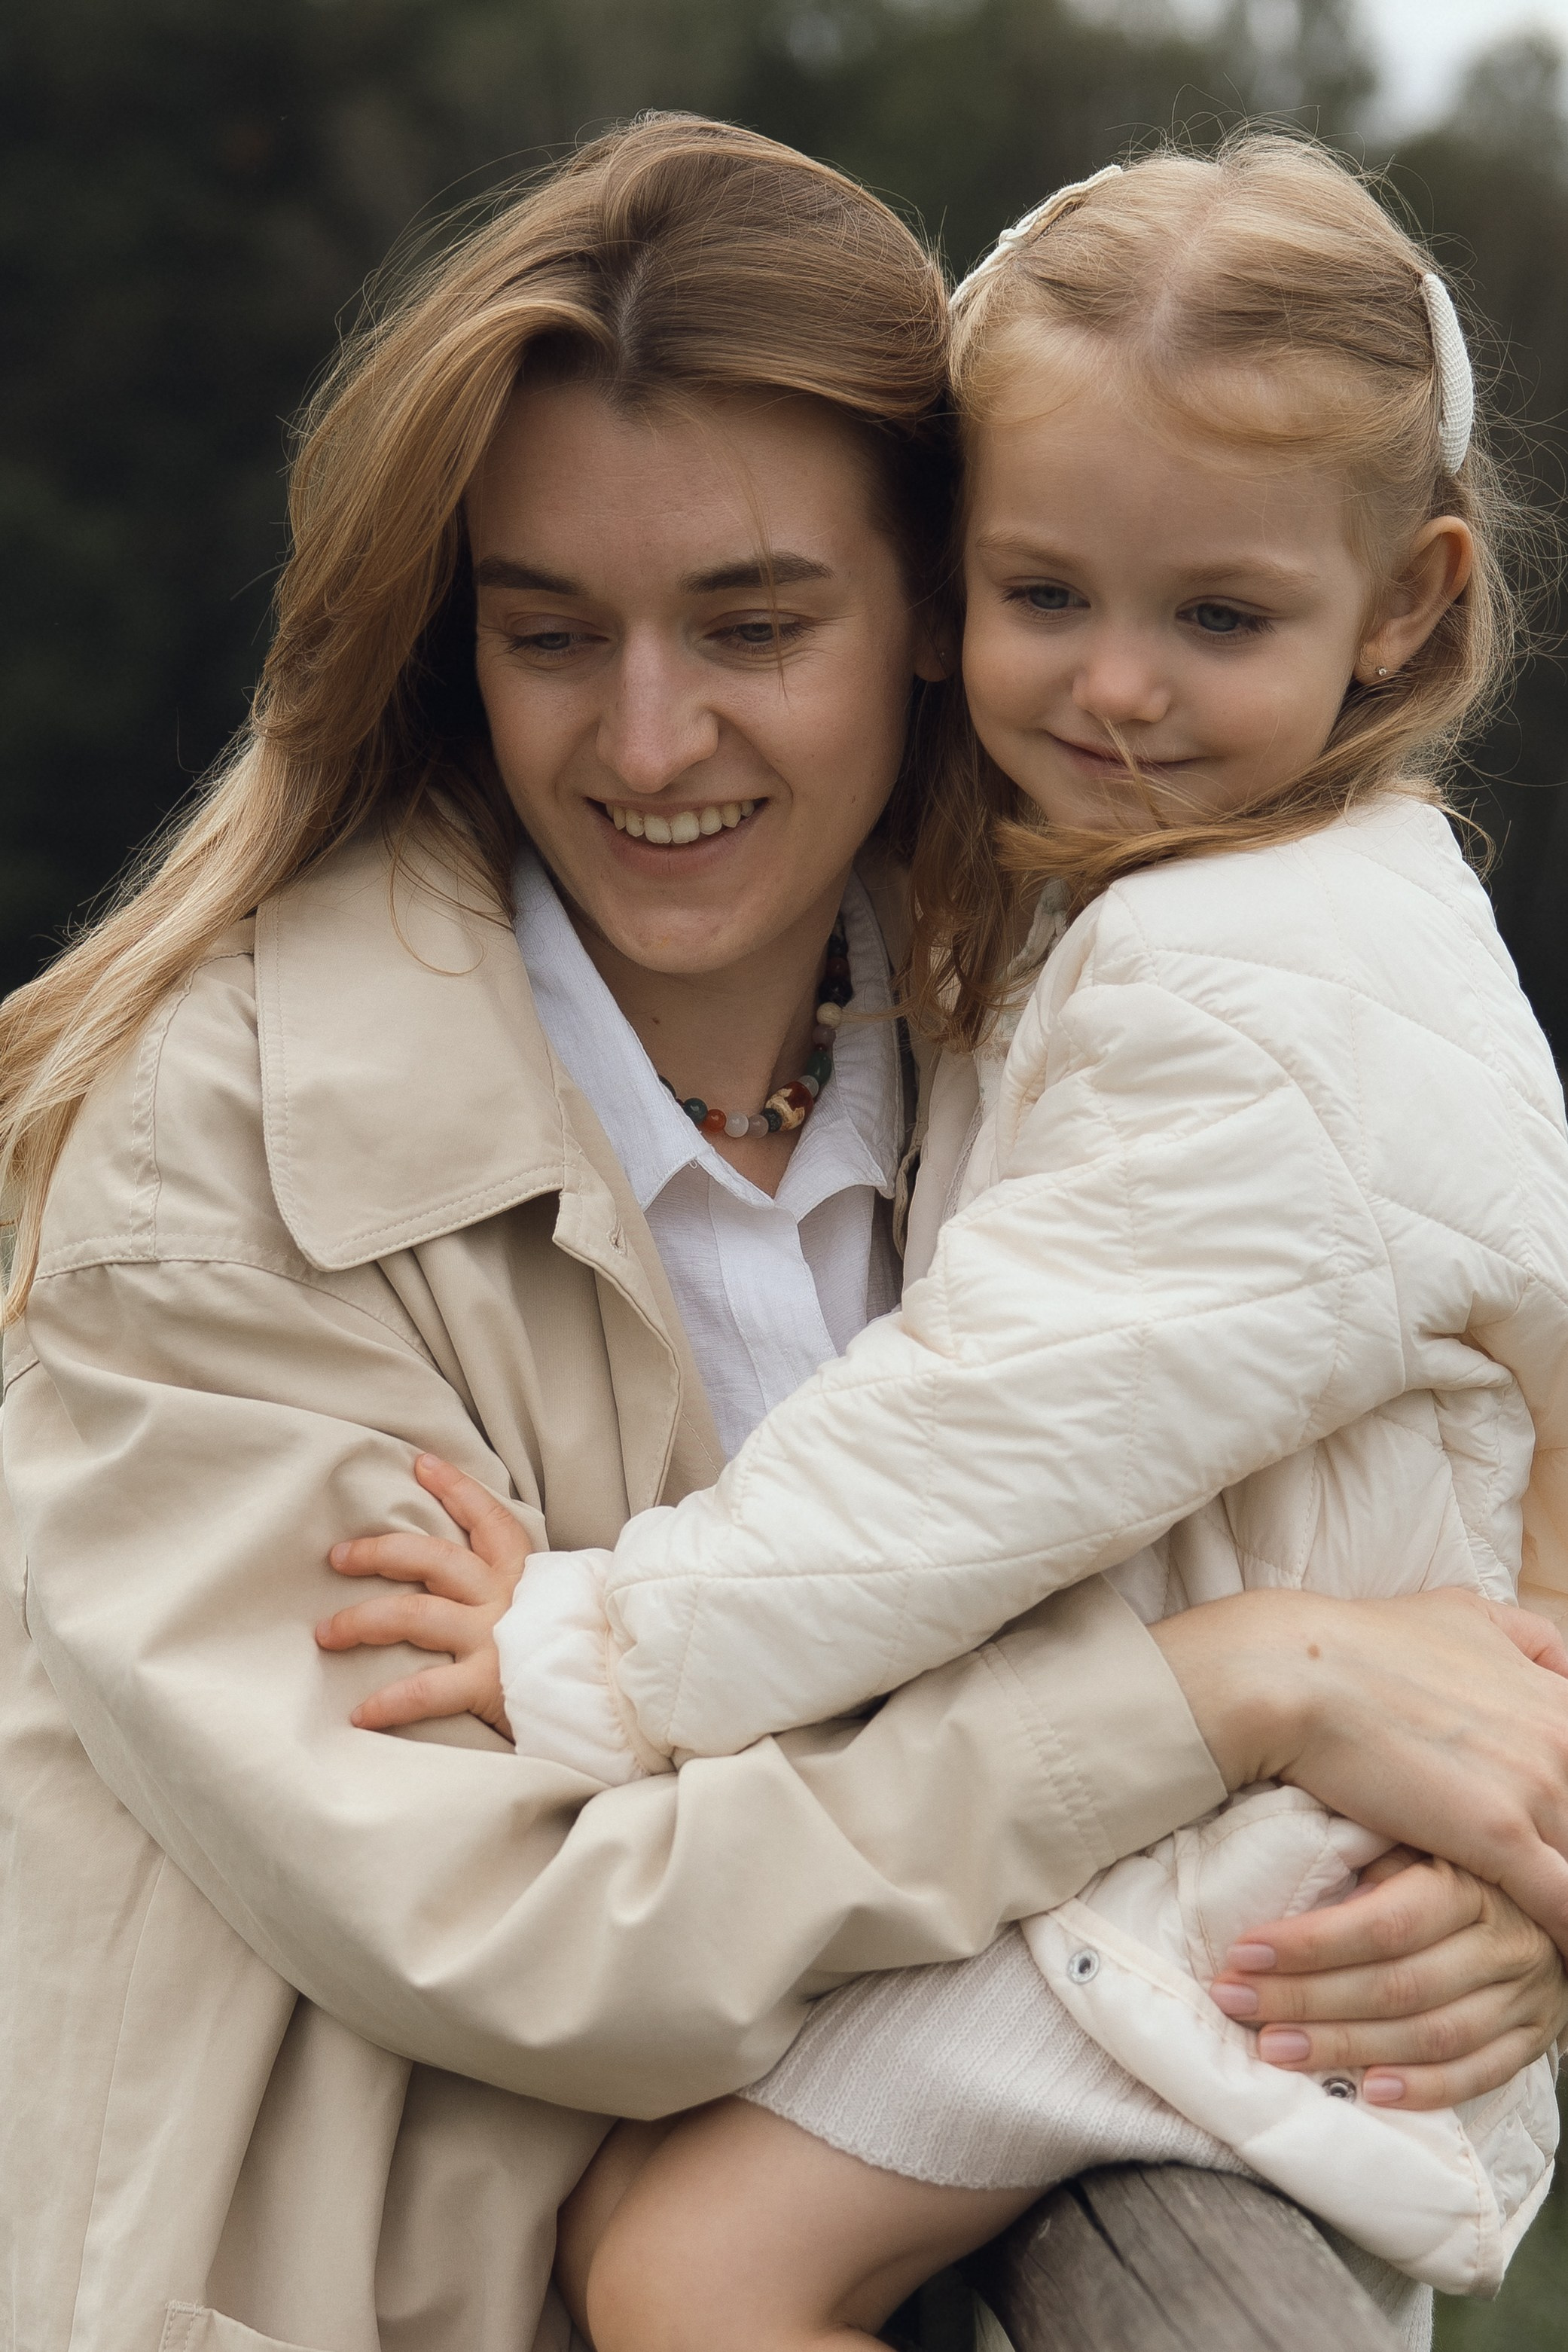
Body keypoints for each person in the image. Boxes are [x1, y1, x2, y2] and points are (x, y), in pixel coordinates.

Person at [2, 116, 1566, 2352]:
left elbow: (1497, 1392)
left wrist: (1507, 1863)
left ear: (924, 603)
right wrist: (1245, 1695)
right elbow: (526, 1929)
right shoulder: (222, 1165)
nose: (652, 740)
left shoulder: (1060, 1028)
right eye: (551, 634)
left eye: (755, 623)